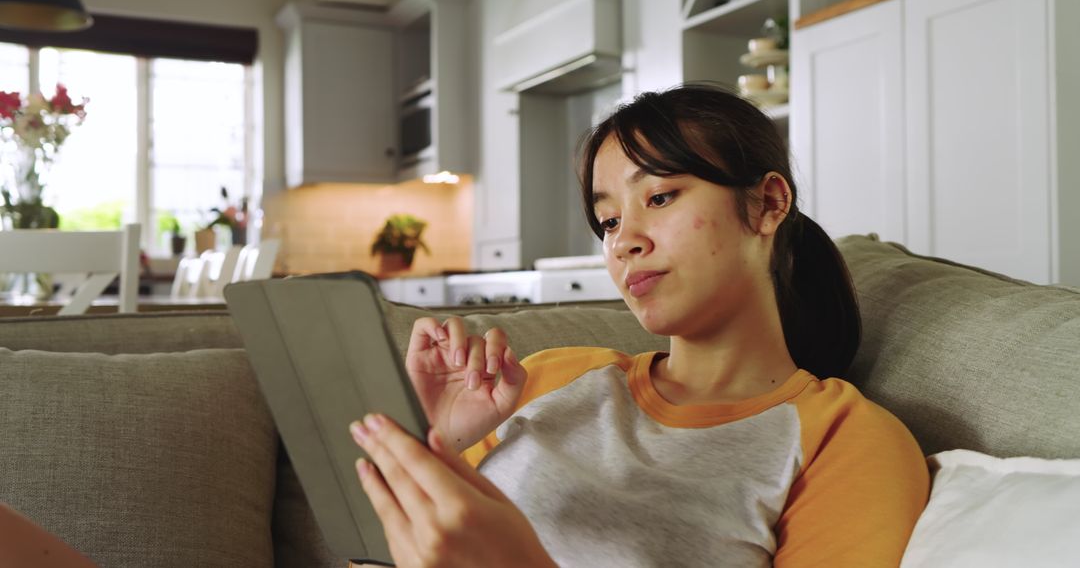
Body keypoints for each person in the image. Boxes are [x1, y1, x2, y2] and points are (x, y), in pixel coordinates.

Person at [348, 83, 930, 567]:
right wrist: (437, 444)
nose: (624, 241)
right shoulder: (546, 377)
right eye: (606, 220)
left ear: (768, 204)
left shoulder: (843, 439)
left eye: (660, 197)